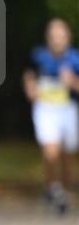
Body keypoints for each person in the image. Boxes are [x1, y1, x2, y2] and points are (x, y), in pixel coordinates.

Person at [23, 18, 79, 214]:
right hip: (45, 108)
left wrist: (72, 81)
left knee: (67, 154)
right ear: (48, 38)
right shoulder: (39, 56)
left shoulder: (75, 59)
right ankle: (55, 189)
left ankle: (63, 190)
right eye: (53, 36)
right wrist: (30, 89)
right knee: (51, 150)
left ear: (67, 37)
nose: (57, 40)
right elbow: (29, 75)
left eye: (60, 36)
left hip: (68, 109)